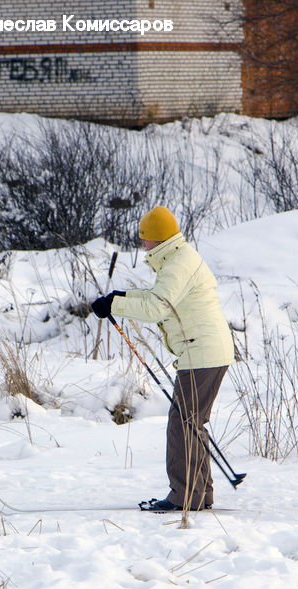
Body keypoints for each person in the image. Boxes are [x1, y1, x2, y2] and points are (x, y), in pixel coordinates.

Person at [91, 205, 234, 511]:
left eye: (145, 239)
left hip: (203, 353)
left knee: (182, 424)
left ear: (157, 239)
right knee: (190, 422)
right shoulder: (178, 259)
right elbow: (158, 298)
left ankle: (185, 496)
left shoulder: (178, 264)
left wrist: (116, 306)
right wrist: (120, 298)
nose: (142, 245)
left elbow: (157, 308)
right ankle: (199, 494)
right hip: (204, 351)